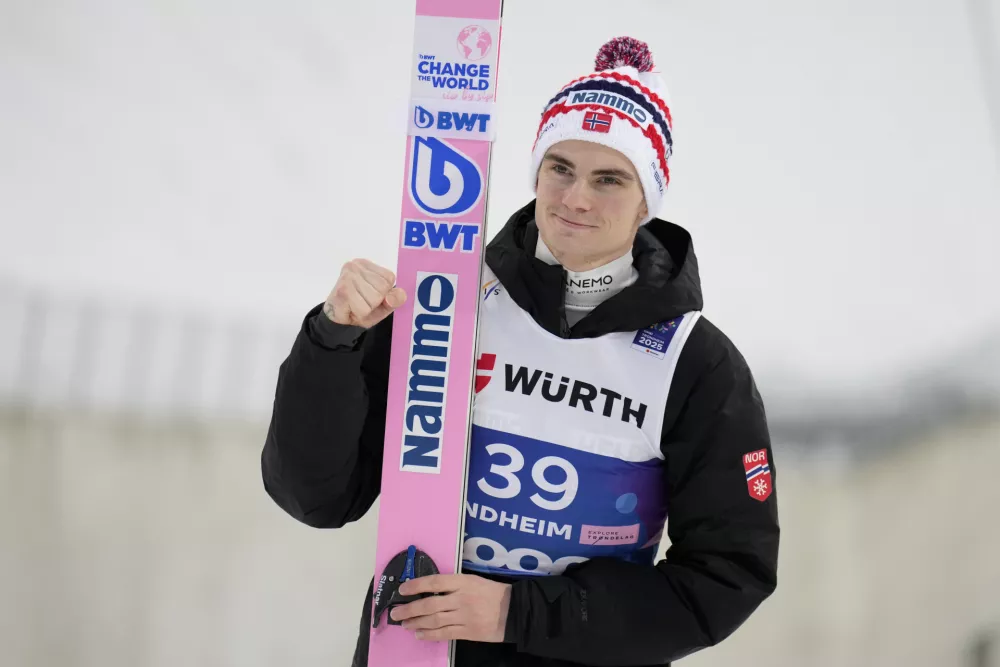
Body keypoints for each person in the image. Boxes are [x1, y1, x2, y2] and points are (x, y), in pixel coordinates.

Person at [261, 36, 779, 667]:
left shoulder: (696, 364)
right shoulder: (444, 305)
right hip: (416, 651)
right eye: (559, 168)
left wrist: (515, 612)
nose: (576, 198)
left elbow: (726, 579)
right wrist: (333, 340)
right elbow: (317, 496)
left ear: (648, 201)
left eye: (609, 178)